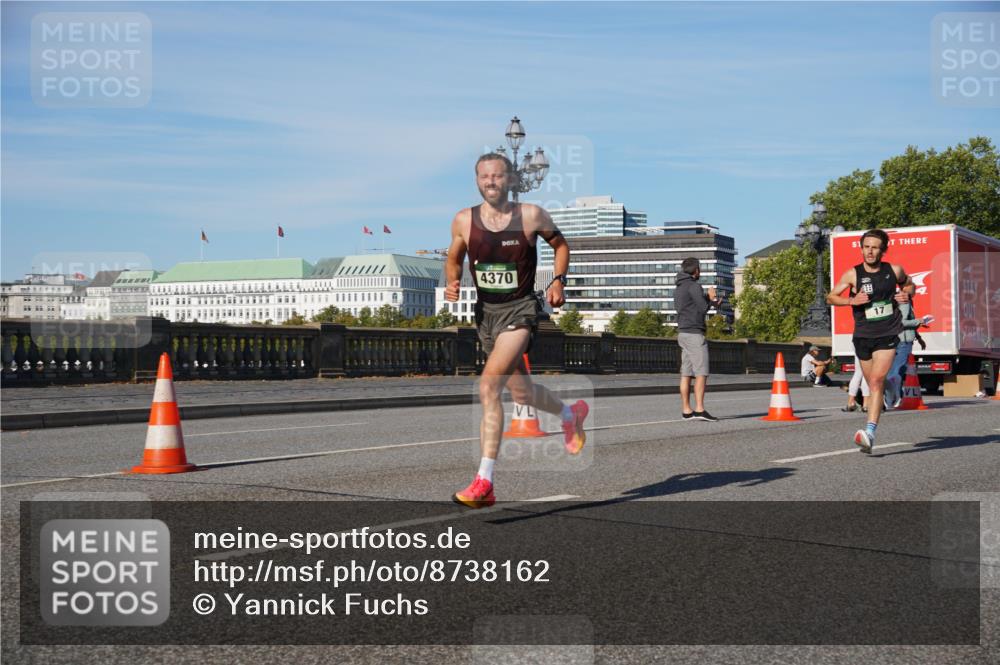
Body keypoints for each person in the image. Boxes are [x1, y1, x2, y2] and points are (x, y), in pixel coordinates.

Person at [444, 152, 589, 508]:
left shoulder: (530, 215)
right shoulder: (464, 220)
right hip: (486, 316)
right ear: (477, 181)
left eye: (497, 176)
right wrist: (452, 282)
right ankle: (571, 415)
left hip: (521, 311)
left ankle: (485, 481)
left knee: (488, 386)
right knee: (523, 394)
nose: (491, 182)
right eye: (484, 177)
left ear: (510, 180)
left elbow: (561, 245)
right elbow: (453, 257)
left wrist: (558, 281)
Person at [827, 228, 913, 453]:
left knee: (875, 382)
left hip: (888, 333)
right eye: (866, 247)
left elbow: (909, 284)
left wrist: (907, 294)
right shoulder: (852, 274)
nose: (870, 251)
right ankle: (893, 385)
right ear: (861, 248)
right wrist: (851, 301)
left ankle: (870, 432)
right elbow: (831, 296)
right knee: (875, 383)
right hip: (863, 336)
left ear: (883, 250)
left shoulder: (893, 270)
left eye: (875, 247)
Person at [674, 257, 724, 422]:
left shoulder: (679, 287)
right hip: (695, 333)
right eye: (699, 269)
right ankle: (700, 409)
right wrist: (710, 298)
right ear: (696, 271)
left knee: (686, 373)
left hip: (682, 332)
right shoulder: (694, 286)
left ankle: (686, 410)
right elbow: (702, 308)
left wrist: (710, 302)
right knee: (701, 372)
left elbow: (693, 305)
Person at [884, 288, 931, 408]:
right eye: (913, 288)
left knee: (893, 370)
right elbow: (902, 322)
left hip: (892, 340)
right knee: (896, 371)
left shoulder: (892, 301)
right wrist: (920, 321)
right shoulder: (904, 302)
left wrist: (919, 337)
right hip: (903, 341)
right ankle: (893, 398)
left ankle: (892, 398)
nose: (915, 290)